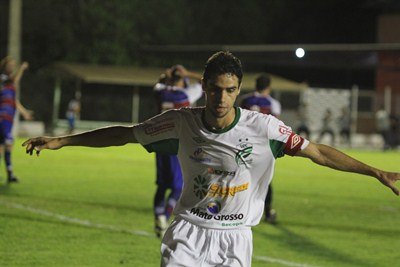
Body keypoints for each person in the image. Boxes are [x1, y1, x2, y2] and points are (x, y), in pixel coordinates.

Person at [23, 51, 399, 267]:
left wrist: (374, 171)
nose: (222, 98)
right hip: (187, 232)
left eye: (230, 90)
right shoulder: (179, 122)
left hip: (236, 239)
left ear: (239, 90)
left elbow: (316, 151)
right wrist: (62, 141)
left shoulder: (265, 127)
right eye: (216, 89)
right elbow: (124, 133)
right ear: (203, 87)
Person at [153, 65, 203, 238]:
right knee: (178, 185)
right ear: (183, 80)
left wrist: (165, 76)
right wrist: (188, 72)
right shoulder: (186, 95)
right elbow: (205, 82)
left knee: (161, 183)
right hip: (178, 143)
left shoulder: (160, 91)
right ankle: (165, 216)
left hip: (159, 141)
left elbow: (158, 84)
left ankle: (158, 213)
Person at [239, 73, 281, 224]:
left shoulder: (245, 100)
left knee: (240, 176)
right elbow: (275, 127)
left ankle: (238, 210)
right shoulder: (273, 103)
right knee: (265, 180)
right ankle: (268, 212)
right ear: (268, 87)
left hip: (242, 144)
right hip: (262, 147)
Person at [0, 56, 33, 183]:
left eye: (14, 65)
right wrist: (22, 68)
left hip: (8, 119)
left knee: (4, 147)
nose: (12, 67)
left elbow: (14, 101)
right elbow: (13, 79)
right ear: (4, 66)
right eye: (10, 65)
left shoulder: (10, 87)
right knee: (8, 142)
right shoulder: (3, 79)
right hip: (2, 118)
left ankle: (10, 174)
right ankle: (10, 174)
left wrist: (24, 113)